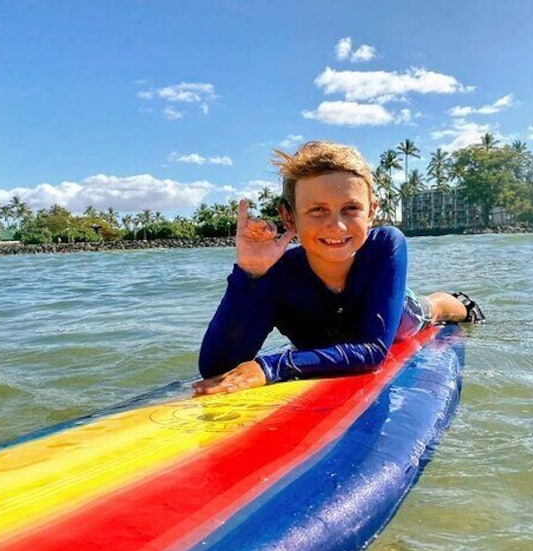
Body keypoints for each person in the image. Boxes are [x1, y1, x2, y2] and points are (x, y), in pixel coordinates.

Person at [194, 141, 484, 396]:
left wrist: (272, 367)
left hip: (395, 320)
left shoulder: (385, 243)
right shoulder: (277, 273)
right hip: (330, 335)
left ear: (371, 211)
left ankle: (458, 302)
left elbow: (372, 352)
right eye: (317, 210)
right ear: (289, 216)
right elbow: (215, 367)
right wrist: (250, 274)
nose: (337, 225)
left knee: (431, 310)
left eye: (351, 208)